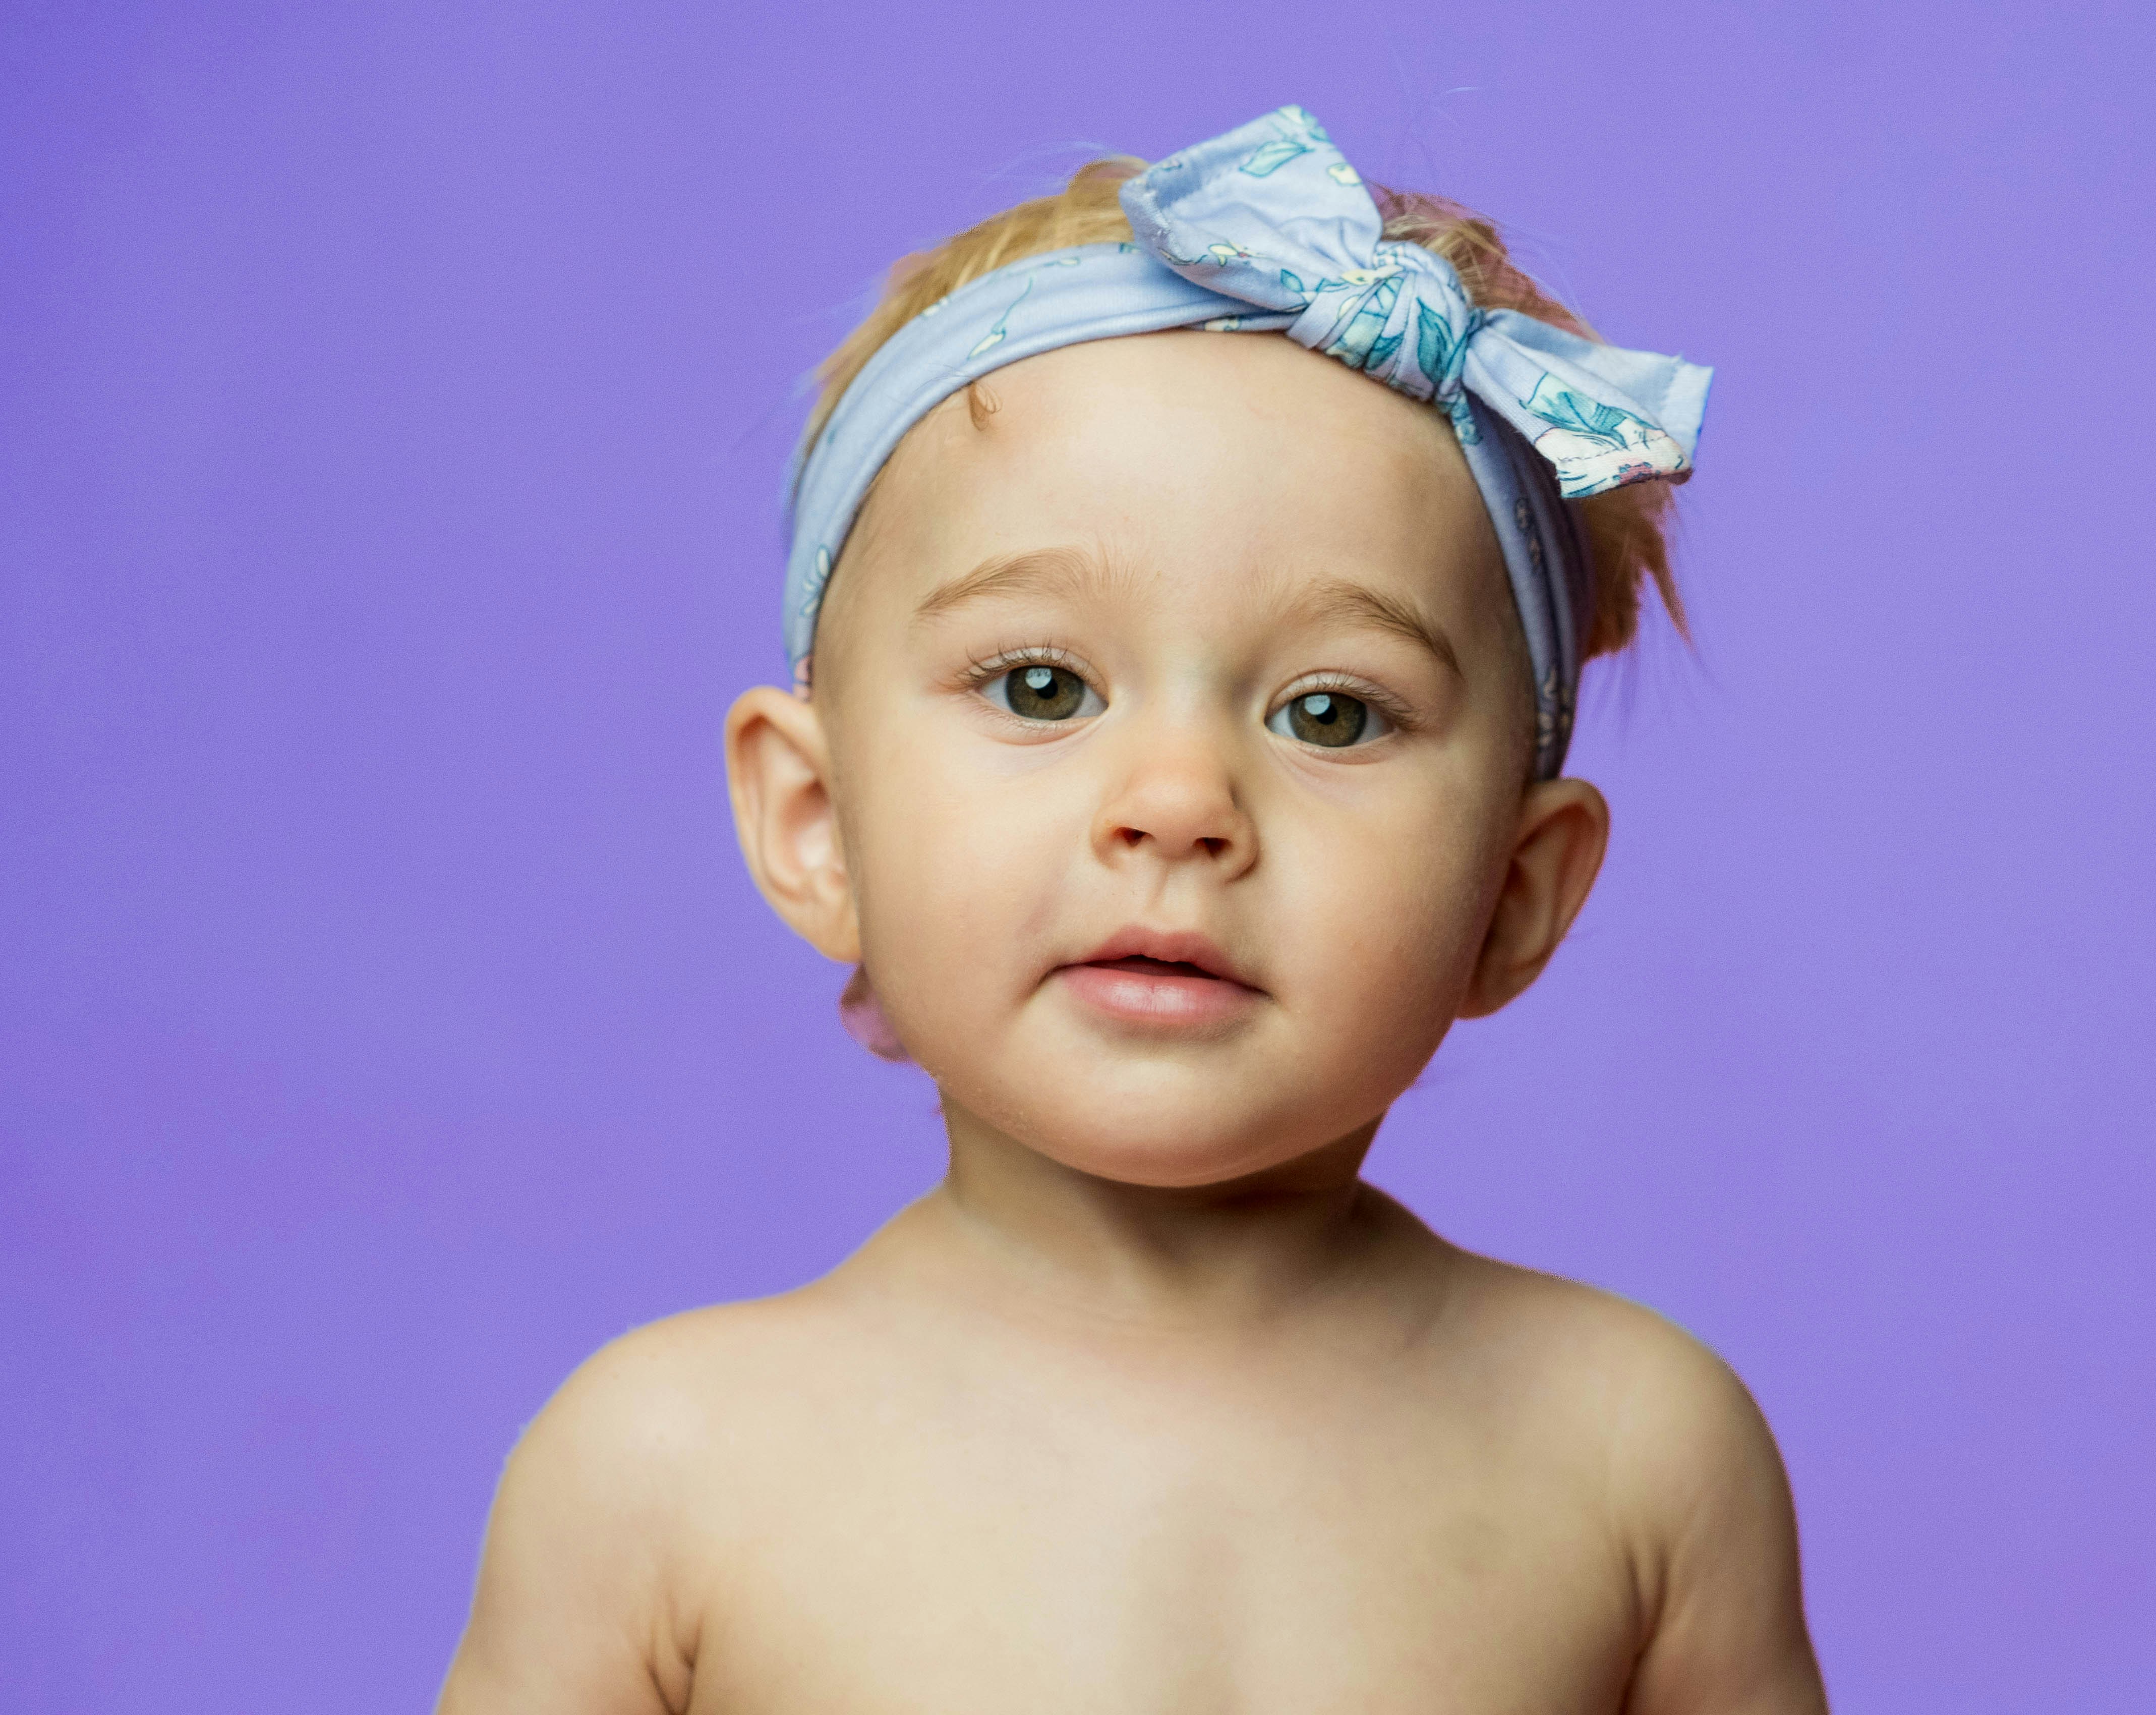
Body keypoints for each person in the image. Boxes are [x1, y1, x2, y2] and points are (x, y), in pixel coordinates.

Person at [436, 106, 1826, 1714]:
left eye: (1330, 715)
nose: (1176, 802)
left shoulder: (1638, 1461)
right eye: (1043, 685)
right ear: (818, 824)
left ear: (1516, 897)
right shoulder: (660, 1476)